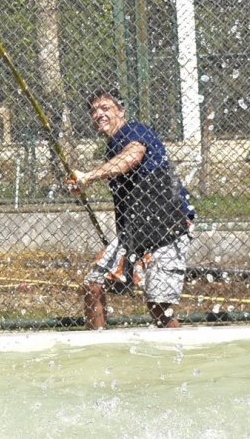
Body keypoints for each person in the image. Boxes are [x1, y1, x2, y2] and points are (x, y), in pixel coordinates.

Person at [69, 88, 192, 329]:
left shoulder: (134, 130)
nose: (98, 114)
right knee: (93, 285)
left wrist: (89, 177)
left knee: (159, 305)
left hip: (169, 225)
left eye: (105, 108)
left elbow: (132, 158)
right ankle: (98, 347)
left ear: (121, 111)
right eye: (93, 110)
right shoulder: (112, 148)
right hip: (139, 230)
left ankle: (177, 354)